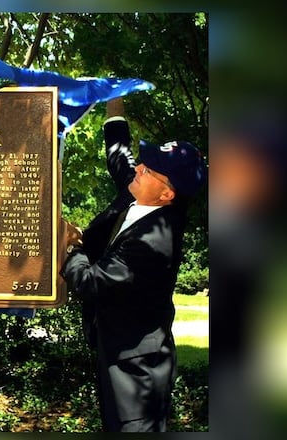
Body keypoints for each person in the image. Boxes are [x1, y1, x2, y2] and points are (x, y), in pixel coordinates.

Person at [60, 97, 206, 432]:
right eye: (145, 162)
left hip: (137, 370)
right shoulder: (141, 193)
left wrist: (71, 244)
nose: (139, 168)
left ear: (167, 194)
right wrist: (114, 105)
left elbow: (91, 283)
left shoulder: (154, 241)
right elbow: (120, 160)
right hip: (116, 348)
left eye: (150, 169)